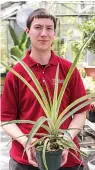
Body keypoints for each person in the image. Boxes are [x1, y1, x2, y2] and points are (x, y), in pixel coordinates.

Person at [1, 8, 89, 170]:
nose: (44, 33)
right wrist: (26, 141)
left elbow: (80, 111)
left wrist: (67, 139)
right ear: (28, 31)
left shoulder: (69, 70)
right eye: (38, 27)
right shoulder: (17, 73)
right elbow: (6, 119)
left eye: (49, 28)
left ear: (54, 33)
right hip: (25, 159)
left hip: (66, 158)